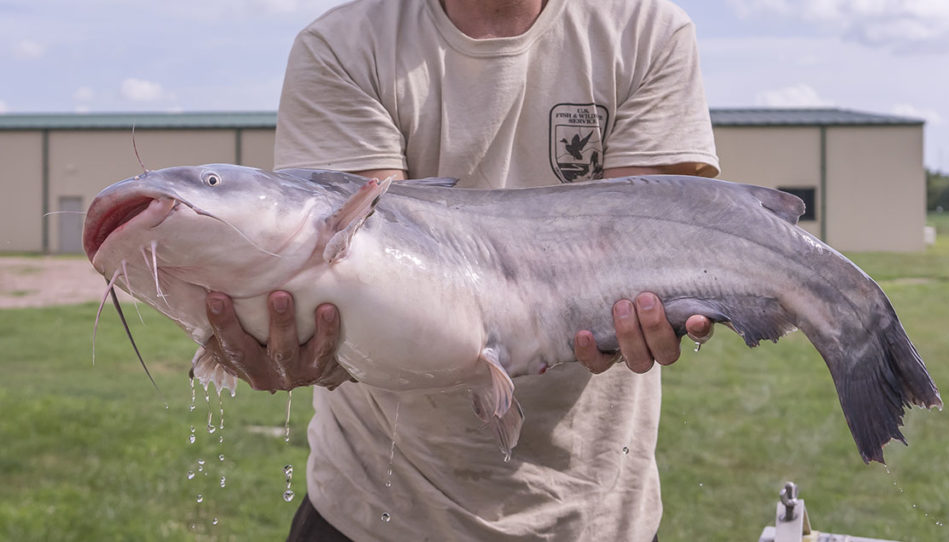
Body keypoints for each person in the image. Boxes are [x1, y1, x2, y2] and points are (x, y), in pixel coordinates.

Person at [203, 0, 720, 539]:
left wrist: (639, 312)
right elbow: (371, 281)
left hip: (595, 511)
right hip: (379, 510)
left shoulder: (645, 31)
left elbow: (638, 244)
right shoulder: (344, 44)